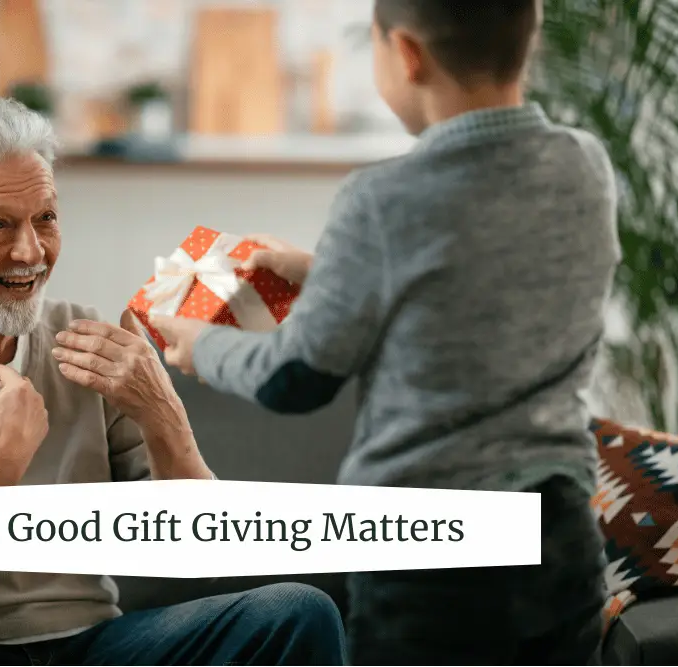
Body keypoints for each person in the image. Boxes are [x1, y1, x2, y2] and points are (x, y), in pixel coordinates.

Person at [0, 97, 347, 666]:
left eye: (46, 218)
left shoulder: (87, 342)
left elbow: (202, 551)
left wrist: (164, 416)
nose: (31, 251)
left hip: (85, 644)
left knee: (297, 610)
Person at [150, 0, 619, 664]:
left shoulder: (382, 198)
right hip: (560, 533)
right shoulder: (585, 166)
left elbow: (297, 375)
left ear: (405, 54)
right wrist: (327, 273)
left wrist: (205, 348)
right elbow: (482, 284)